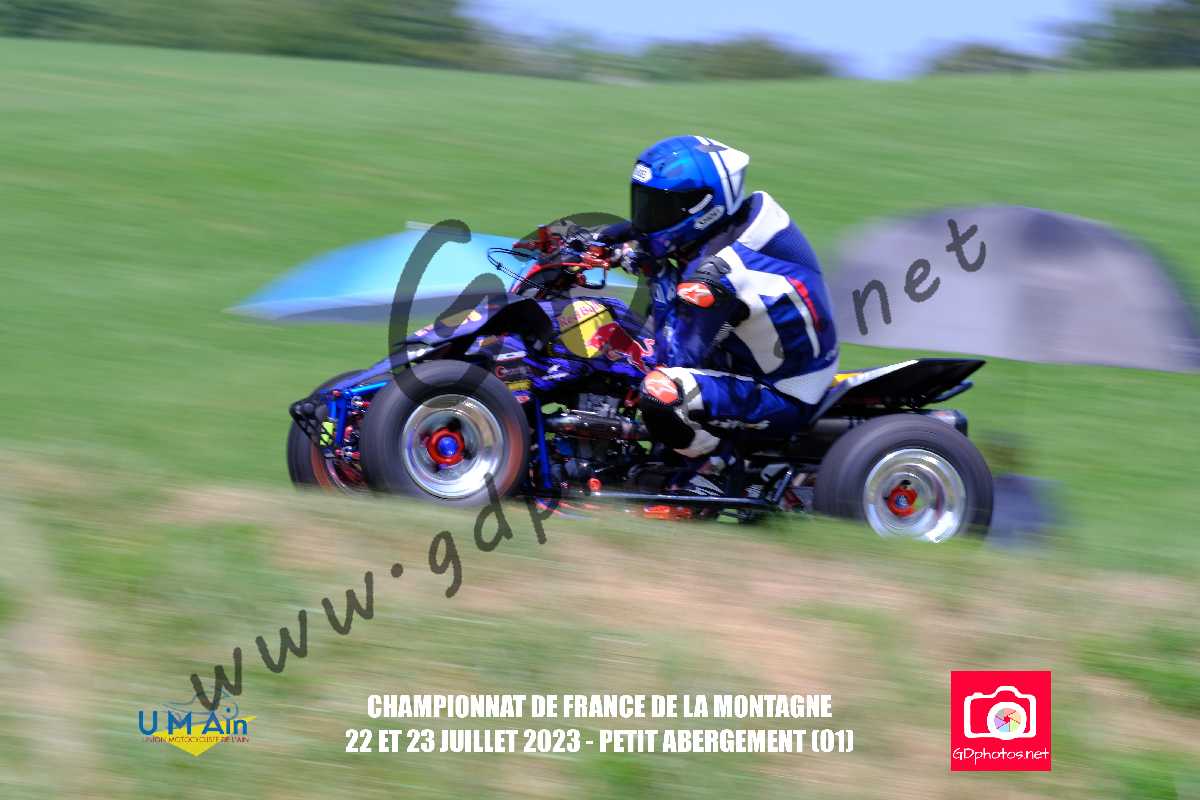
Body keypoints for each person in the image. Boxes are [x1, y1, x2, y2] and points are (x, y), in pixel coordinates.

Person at [599, 135, 839, 490]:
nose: (648, 218)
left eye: (661, 208)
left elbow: (674, 357)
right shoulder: (724, 226)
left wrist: (651, 269)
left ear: (704, 208)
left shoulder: (718, 274)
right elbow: (643, 233)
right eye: (645, 203)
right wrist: (601, 243)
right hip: (744, 355)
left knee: (660, 389)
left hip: (782, 391)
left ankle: (715, 466)